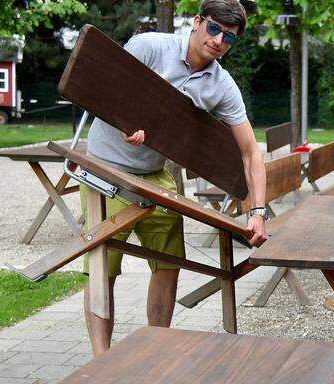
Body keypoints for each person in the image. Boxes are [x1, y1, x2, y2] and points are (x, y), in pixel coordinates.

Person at [82, 0, 267, 356]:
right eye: (214, 29)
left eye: (229, 38)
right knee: (102, 268)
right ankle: (101, 361)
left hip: (154, 174)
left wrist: (257, 211)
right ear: (197, 22)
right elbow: (105, 87)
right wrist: (123, 119)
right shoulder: (149, 46)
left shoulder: (222, 85)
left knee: (169, 265)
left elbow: (250, 152)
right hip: (104, 167)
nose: (218, 41)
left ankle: (156, 351)